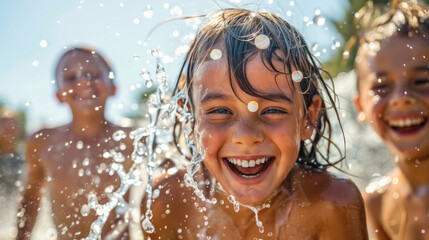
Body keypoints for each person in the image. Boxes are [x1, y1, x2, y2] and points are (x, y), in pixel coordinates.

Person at [142, 8, 368, 239]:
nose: (246, 135)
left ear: (307, 118)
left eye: (272, 110)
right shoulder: (169, 202)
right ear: (190, 119)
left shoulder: (331, 202)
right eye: (220, 111)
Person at [16, 47, 134, 239]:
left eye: (94, 74)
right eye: (71, 77)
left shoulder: (135, 139)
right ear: (59, 95)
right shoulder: (43, 143)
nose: (84, 81)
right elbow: (30, 198)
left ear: (113, 88)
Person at [352, 0, 429, 239]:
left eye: (422, 81)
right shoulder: (376, 203)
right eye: (381, 86)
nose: (400, 99)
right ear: (360, 107)